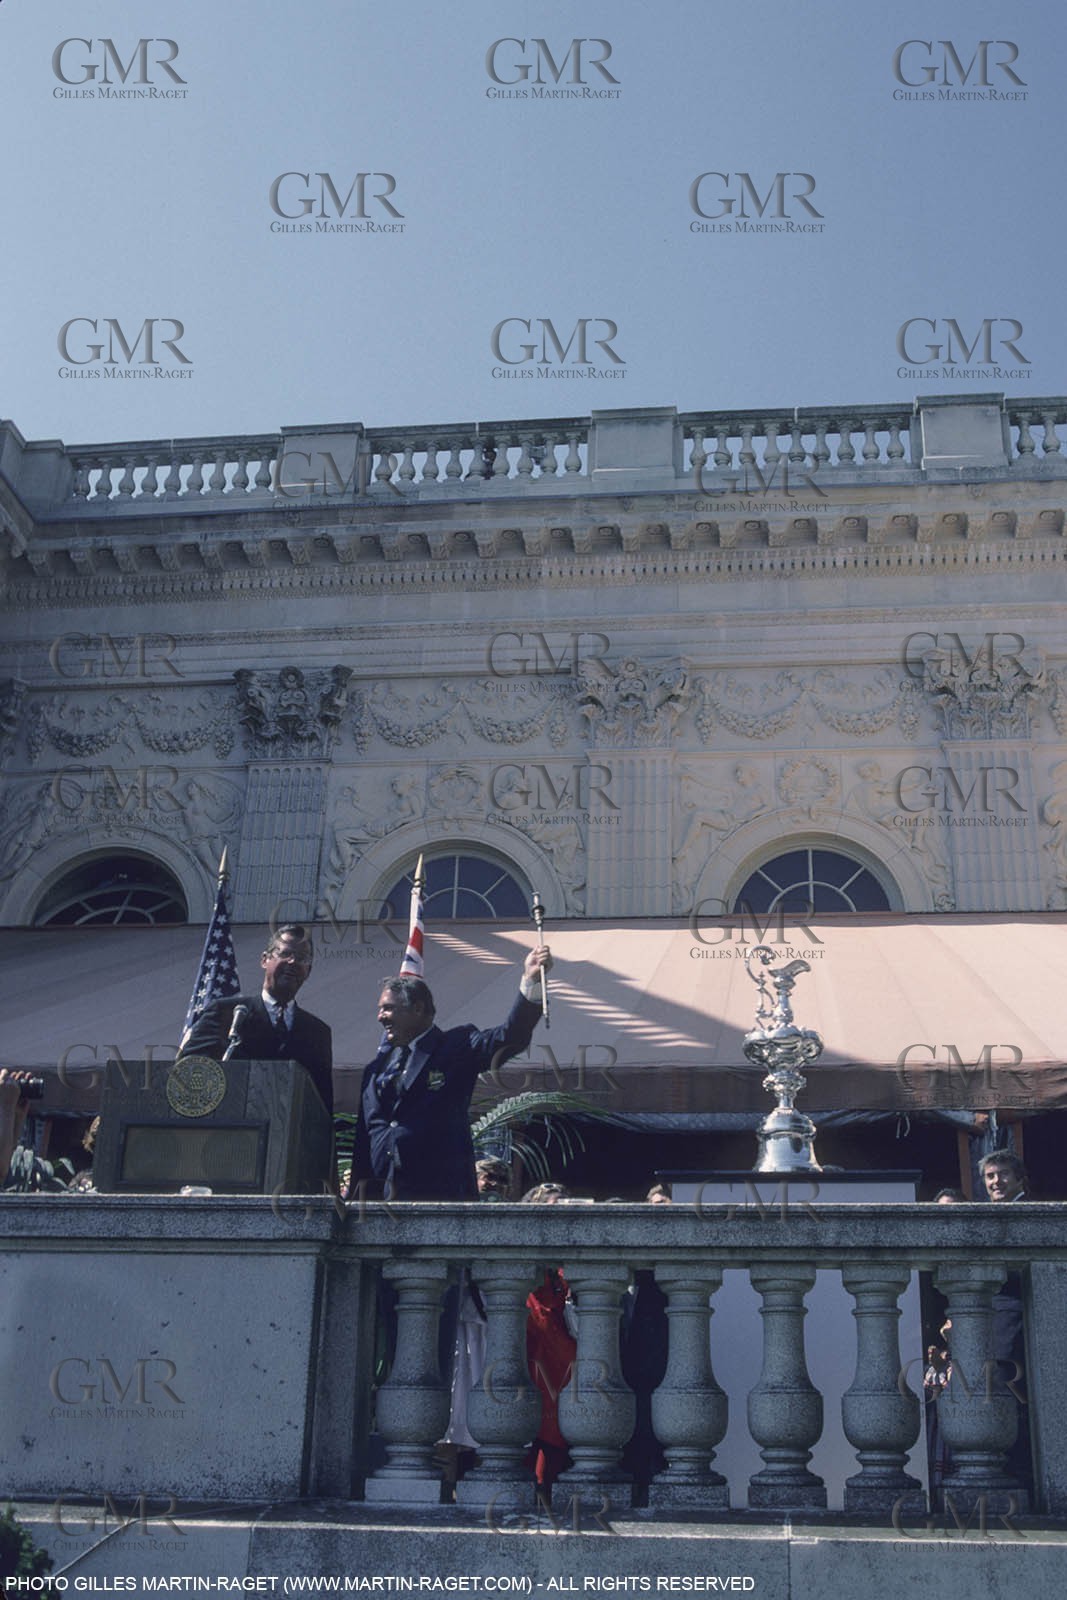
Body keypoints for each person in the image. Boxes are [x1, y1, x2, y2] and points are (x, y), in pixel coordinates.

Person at [352, 944, 552, 1201]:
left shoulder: (456, 1047)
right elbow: (363, 1141)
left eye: (388, 1008)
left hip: (439, 1197)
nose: (381, 1016)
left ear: (418, 1009)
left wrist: (531, 982)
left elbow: (509, 1038)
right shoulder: (375, 1069)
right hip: (380, 1200)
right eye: (380, 1009)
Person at [180, 924, 333, 1115]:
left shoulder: (318, 1033)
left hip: (288, 1138)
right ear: (265, 959)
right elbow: (188, 1070)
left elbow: (322, 1104)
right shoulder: (226, 1012)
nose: (293, 962)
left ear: (308, 971)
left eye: (302, 958)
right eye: (285, 954)